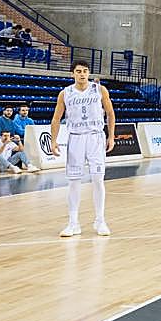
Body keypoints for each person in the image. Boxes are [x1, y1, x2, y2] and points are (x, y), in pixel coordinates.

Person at [48, 61, 116, 237]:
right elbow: (56, 119)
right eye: (78, 71)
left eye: (85, 71)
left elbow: (110, 113)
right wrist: (53, 141)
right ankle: (73, 223)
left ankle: (100, 221)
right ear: (73, 74)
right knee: (74, 181)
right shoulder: (65, 93)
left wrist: (111, 136)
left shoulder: (100, 90)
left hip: (95, 137)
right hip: (76, 138)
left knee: (98, 179)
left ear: (88, 73)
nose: (82, 74)